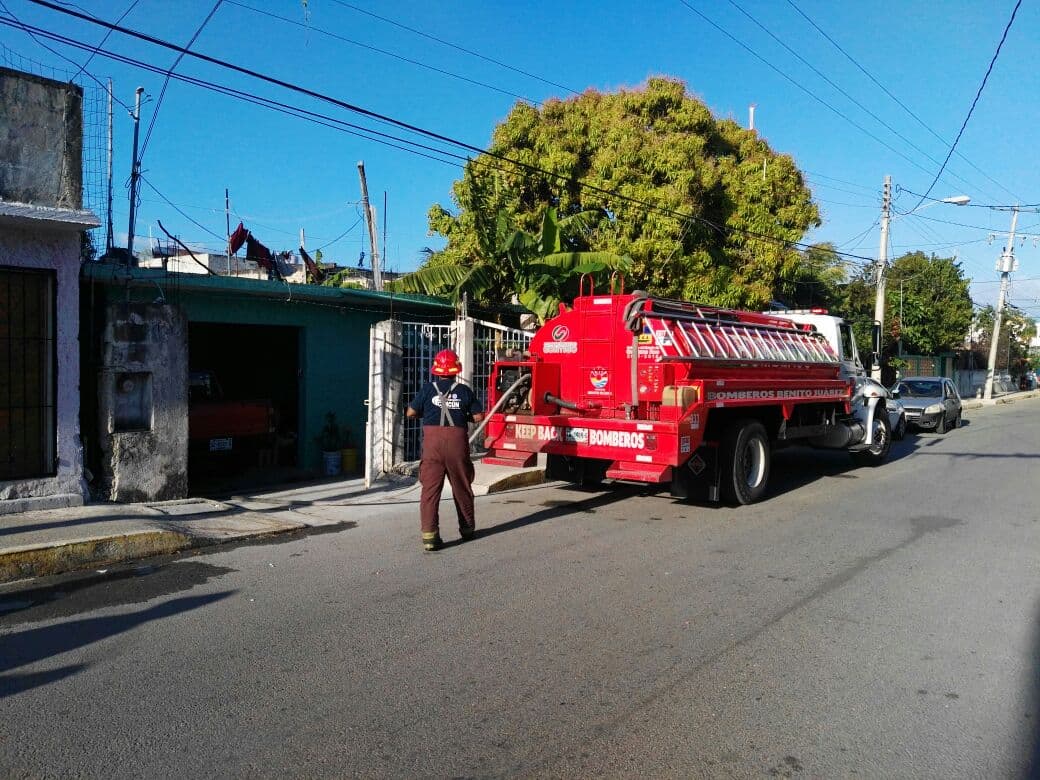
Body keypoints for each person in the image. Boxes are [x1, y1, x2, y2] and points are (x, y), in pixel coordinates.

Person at [406, 349, 484, 552]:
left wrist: (428, 412)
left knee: (430, 491)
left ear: (436, 369)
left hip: (432, 446)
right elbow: (478, 417)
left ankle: (430, 538)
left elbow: (411, 412)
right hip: (457, 443)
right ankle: (467, 530)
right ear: (456, 369)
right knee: (462, 487)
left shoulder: (427, 389)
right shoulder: (464, 390)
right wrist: (462, 414)